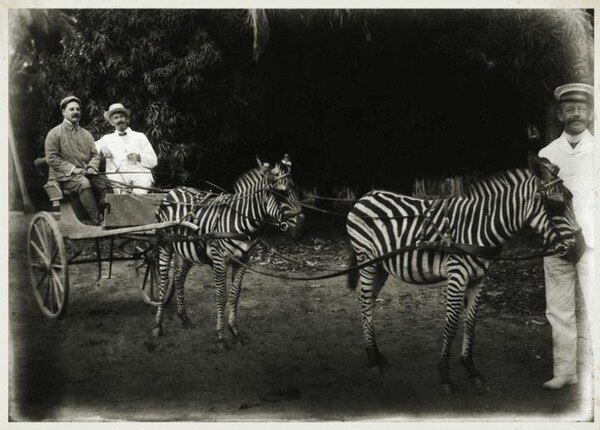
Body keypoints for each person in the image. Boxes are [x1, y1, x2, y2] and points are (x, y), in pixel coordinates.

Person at [538, 83, 595, 391]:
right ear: (560, 115)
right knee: (558, 309)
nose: (576, 114)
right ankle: (565, 371)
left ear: (590, 113)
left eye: (582, 109)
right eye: (570, 109)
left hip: (593, 244)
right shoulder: (546, 154)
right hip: (557, 243)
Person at [45, 95, 110, 225]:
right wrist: (73, 169)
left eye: (78, 109)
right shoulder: (54, 133)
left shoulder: (86, 134)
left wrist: (91, 167)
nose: (75, 112)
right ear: (64, 112)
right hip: (64, 177)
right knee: (83, 183)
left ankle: (108, 214)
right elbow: (51, 158)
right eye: (71, 109)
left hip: (86, 172)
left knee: (105, 182)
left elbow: (95, 155)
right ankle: (97, 220)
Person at [95, 103, 158, 194]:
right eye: (116, 118)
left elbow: (154, 161)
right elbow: (92, 146)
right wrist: (102, 148)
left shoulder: (140, 136)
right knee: (121, 195)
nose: (119, 120)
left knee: (140, 191)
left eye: (122, 117)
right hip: (117, 177)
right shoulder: (107, 138)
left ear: (127, 119)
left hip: (139, 175)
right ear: (111, 122)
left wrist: (139, 157)